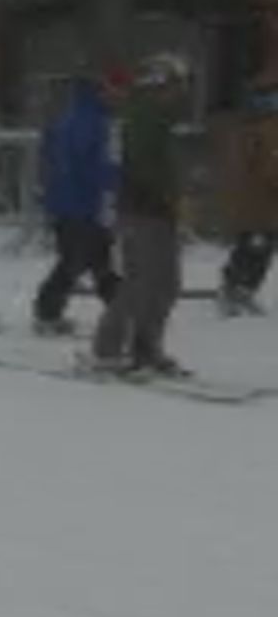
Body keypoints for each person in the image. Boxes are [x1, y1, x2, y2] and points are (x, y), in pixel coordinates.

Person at [89, 52, 192, 376]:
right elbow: (144, 166)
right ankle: (109, 348)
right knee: (141, 282)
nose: (181, 92)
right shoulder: (144, 115)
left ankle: (147, 349)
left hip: (160, 210)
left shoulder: (162, 118)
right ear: (160, 83)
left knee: (167, 284)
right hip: (141, 209)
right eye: (177, 84)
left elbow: (166, 166)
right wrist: (167, 195)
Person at [31, 73, 123, 335]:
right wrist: (115, 180)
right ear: (101, 92)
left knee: (95, 259)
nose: (119, 97)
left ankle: (121, 311)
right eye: (115, 90)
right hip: (79, 202)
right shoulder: (89, 121)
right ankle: (47, 312)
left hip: (72, 201)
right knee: (77, 261)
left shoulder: (74, 118)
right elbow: (89, 164)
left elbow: (53, 152)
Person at [216, 84, 278, 316]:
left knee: (254, 246)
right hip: (260, 202)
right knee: (257, 246)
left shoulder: (247, 128)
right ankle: (235, 289)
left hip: (253, 202)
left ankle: (240, 290)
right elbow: (271, 167)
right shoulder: (267, 129)